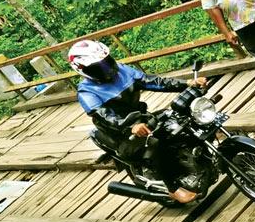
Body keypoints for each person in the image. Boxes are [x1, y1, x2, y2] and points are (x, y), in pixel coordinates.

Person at [69, 40, 207, 203]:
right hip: (120, 134)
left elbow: (152, 81)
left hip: (143, 119)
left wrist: (186, 83)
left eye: (106, 62)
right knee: (155, 143)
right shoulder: (86, 91)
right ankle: (173, 188)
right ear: (84, 70)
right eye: (98, 67)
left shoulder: (121, 70)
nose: (106, 68)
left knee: (180, 119)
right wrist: (130, 127)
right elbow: (104, 116)